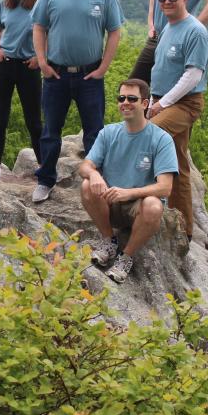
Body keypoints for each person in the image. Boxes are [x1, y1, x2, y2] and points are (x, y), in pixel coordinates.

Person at [30, 0, 124, 203]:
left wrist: (104, 67)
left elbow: (115, 31)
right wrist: (43, 62)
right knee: (50, 131)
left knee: (94, 131)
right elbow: (39, 26)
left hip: (89, 74)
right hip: (56, 73)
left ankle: (95, 183)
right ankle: (45, 179)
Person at [79, 79, 178, 283]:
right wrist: (94, 173)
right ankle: (109, 242)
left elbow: (165, 187)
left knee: (153, 205)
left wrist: (129, 193)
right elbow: (85, 166)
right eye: (121, 98)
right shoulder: (108, 133)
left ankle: (126, 257)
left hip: (138, 208)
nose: (125, 102)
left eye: (132, 98)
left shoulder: (161, 139)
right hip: (111, 204)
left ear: (145, 103)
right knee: (87, 184)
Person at [148, 0, 208, 239]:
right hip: (163, 100)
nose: (166, 3)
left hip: (184, 103)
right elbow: (159, 70)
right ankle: (183, 229)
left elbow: (193, 75)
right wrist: (152, 102)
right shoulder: (168, 27)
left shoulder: (195, 31)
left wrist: (162, 105)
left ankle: (143, 206)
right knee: (178, 164)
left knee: (148, 135)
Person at [0, 0, 42, 185]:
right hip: (4, 66)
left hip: (28, 67)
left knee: (34, 121)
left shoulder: (40, 3)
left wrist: (40, 57)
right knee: (0, 118)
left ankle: (43, 166)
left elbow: (49, 33)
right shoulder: (4, 2)